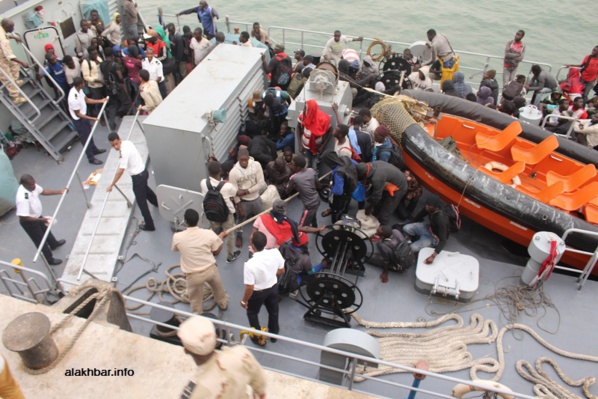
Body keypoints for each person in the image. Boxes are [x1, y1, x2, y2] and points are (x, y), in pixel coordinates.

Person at [177, 315, 266, 399]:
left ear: (186, 350)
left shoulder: (193, 394)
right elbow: (260, 387)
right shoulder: (241, 354)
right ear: (216, 338)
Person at [172, 209, 229, 314]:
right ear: (198, 220)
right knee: (219, 290)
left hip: (193, 276)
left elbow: (175, 249)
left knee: (195, 299)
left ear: (185, 221)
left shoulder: (177, 237)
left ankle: (198, 314)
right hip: (211, 271)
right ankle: (223, 304)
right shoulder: (209, 233)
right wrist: (220, 239)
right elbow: (216, 251)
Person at [240, 231, 285, 346]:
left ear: (253, 246)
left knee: (252, 313)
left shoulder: (250, 264)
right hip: (273, 288)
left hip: (257, 293)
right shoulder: (275, 253)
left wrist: (244, 301)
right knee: (273, 311)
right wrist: (270, 274)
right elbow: (281, 271)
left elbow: (250, 287)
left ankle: (257, 337)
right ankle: (274, 334)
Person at [107, 132, 158, 231]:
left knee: (141, 203)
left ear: (119, 139)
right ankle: (156, 202)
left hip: (137, 177)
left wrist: (112, 184)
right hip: (143, 172)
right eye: (113, 145)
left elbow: (121, 171)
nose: (116, 147)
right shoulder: (128, 143)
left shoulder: (124, 153)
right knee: (146, 190)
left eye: (116, 144)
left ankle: (150, 225)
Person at [16, 174, 67, 266]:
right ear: (25, 185)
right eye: (31, 184)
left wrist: (60, 192)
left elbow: (43, 191)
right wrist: (42, 220)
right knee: (40, 240)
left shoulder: (32, 186)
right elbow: (23, 217)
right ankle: (49, 259)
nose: (34, 185)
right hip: (29, 222)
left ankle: (53, 244)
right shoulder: (23, 198)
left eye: (34, 183)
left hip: (37, 216)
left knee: (46, 230)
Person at [200, 160, 240, 263]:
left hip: (211, 214)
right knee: (230, 235)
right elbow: (235, 193)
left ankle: (212, 252)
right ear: (220, 171)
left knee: (213, 233)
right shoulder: (227, 186)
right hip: (226, 216)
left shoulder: (203, 183)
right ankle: (230, 256)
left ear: (209, 172)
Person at [228, 148, 266, 248]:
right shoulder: (233, 173)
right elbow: (234, 192)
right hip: (243, 201)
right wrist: (239, 206)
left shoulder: (256, 165)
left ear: (248, 157)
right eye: (241, 160)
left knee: (263, 216)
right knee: (240, 219)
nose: (244, 161)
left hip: (255, 197)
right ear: (238, 159)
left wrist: (246, 191)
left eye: (245, 159)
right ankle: (239, 234)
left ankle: (262, 232)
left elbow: (261, 183)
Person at [252, 199, 323, 251]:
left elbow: (253, 235)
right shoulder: (288, 225)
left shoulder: (261, 218)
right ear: (284, 211)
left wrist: (255, 249)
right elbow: (305, 228)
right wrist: (318, 229)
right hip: (272, 252)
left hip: (255, 250)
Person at [67, 77, 107, 165]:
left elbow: (87, 100)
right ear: (80, 85)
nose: (84, 84)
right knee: (85, 139)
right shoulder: (73, 99)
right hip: (80, 120)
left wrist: (100, 101)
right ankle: (90, 158)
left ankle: (94, 149)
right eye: (83, 83)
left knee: (89, 134)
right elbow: (78, 114)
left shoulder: (79, 90)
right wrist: (92, 118)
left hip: (84, 116)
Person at [357, 161, 407, 225]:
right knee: (378, 205)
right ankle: (374, 217)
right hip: (389, 182)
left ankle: (382, 229)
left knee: (385, 213)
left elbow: (377, 196)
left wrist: (369, 208)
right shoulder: (372, 164)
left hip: (399, 188)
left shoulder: (377, 178)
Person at [403, 195, 450, 264]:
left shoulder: (441, 219)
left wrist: (432, 256)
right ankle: (415, 239)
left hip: (434, 237)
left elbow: (443, 240)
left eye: (429, 205)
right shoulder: (429, 208)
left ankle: (423, 244)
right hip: (429, 228)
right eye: (426, 204)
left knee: (412, 248)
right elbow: (420, 215)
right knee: (406, 228)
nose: (426, 206)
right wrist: (413, 224)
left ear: (435, 207)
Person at [320, 150, 358, 223]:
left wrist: (331, 187)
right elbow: (356, 165)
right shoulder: (346, 158)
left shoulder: (338, 173)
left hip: (343, 192)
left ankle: (336, 221)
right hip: (351, 185)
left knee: (337, 207)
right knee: (347, 201)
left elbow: (338, 192)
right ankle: (344, 210)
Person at [100, 47, 132, 132]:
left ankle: (112, 123)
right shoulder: (115, 65)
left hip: (108, 87)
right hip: (118, 87)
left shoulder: (102, 64)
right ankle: (129, 117)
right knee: (127, 102)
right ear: (112, 55)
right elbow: (120, 77)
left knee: (112, 105)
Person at [286, 154, 321, 227]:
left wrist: (296, 186)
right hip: (317, 200)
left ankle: (302, 237)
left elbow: (287, 191)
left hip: (309, 205)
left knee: (301, 228)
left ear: (298, 167)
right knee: (312, 214)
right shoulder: (311, 170)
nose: (291, 165)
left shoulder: (294, 178)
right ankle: (315, 227)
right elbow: (318, 185)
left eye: (292, 164)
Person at [297, 99, 331, 170]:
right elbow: (298, 127)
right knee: (305, 165)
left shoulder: (323, 119)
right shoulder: (303, 115)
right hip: (305, 146)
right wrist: (299, 144)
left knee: (315, 166)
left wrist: (323, 146)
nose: (304, 109)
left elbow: (330, 132)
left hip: (317, 147)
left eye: (306, 108)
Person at [0, 19, 28, 105]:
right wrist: (22, 62)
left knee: (15, 64)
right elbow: (9, 56)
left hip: (2, 54)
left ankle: (15, 80)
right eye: (11, 27)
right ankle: (15, 97)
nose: (13, 28)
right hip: (1, 59)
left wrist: (13, 37)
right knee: (7, 78)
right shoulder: (3, 40)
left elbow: (5, 36)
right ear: (5, 27)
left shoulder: (1, 29)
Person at [81, 46, 104, 118]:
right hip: (95, 86)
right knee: (98, 102)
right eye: (93, 54)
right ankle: (100, 117)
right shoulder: (85, 63)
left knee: (104, 100)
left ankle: (105, 114)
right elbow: (86, 77)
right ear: (89, 54)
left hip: (103, 84)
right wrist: (98, 81)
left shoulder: (99, 58)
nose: (95, 55)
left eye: (96, 53)